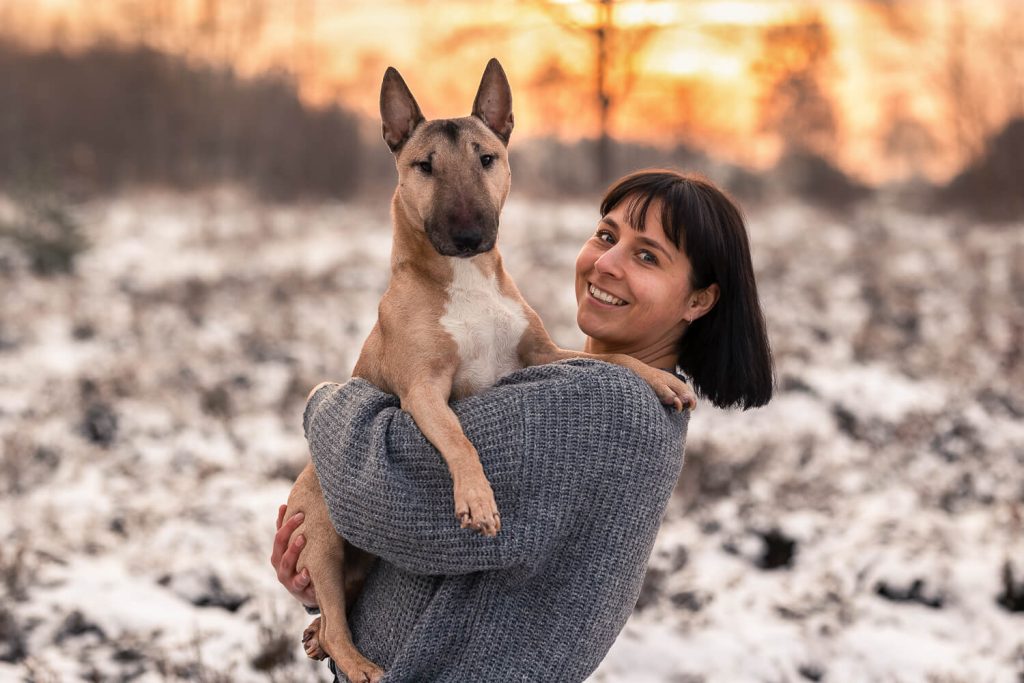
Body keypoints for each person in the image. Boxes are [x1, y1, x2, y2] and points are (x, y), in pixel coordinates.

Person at [271, 169, 774, 681]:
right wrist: (336, 587)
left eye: (647, 256)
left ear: (698, 300)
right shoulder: (606, 391)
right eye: (606, 235)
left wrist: (324, 402)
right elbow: (434, 545)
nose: (606, 263)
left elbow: (383, 492)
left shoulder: (603, 408)